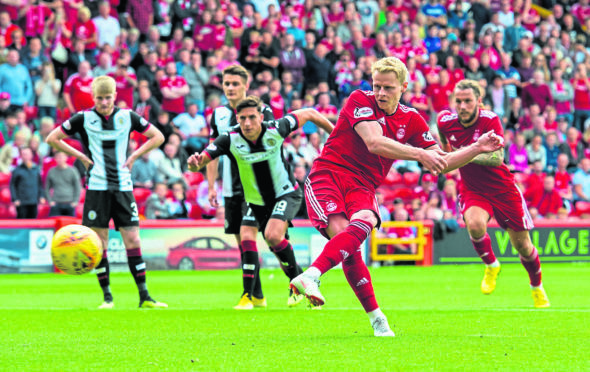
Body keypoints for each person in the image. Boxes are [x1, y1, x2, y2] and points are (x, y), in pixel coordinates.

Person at [289, 57, 503, 337]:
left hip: (362, 185)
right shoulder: (359, 100)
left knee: (363, 223)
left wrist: (476, 147)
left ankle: (326, 286)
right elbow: (374, 142)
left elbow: (443, 162)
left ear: (403, 87)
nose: (380, 93)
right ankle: (342, 295)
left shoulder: (411, 119)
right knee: (346, 241)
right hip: (329, 175)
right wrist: (418, 153)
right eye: (377, 86)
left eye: (388, 88)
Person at [188, 96, 335, 310]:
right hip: (256, 202)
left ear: (260, 116)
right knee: (271, 243)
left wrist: (335, 134)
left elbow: (309, 113)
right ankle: (298, 282)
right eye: (242, 118)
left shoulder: (276, 128)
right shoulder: (230, 138)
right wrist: (193, 164)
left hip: (286, 193)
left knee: (272, 236)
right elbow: (202, 160)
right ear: (237, 118)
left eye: (251, 117)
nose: (247, 123)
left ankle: (255, 294)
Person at [46, 75, 167, 309]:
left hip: (123, 187)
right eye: (99, 98)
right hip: (97, 188)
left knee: (132, 238)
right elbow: (53, 138)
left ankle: (145, 297)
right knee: (98, 243)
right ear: (93, 98)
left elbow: (158, 137)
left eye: (108, 97)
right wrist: (80, 156)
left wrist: (133, 156)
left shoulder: (127, 117)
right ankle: (108, 297)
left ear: (115, 97)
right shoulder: (84, 118)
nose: (103, 102)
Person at [437, 79, 550, 308]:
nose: (462, 106)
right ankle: (491, 265)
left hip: (503, 190)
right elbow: (445, 154)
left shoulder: (490, 120)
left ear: (479, 101)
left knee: (523, 247)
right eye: (458, 101)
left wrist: (465, 153)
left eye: (468, 101)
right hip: (473, 189)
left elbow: (497, 158)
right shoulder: (444, 122)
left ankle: (536, 287)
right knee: (475, 224)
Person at [205, 65, 275, 309]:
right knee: (242, 242)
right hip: (230, 188)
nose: (231, 88)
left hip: (255, 186)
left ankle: (247, 295)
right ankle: (258, 296)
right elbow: (213, 152)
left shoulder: (263, 111)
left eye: (235, 83)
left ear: (246, 85)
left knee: (250, 236)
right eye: (227, 84)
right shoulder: (218, 115)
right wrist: (211, 186)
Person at [10, 147, 45, 218]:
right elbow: (12, 185)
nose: (24, 156)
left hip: (34, 201)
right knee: (21, 223)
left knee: (33, 222)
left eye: (26, 154)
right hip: (21, 202)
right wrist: (15, 199)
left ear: (31, 155)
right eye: (23, 154)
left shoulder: (36, 169)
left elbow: (40, 184)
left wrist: (41, 196)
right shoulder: (17, 170)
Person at [45, 151, 81, 217]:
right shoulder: (51, 171)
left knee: (70, 225)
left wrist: (75, 201)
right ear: (55, 159)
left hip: (70, 203)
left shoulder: (73, 171)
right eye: (58, 157)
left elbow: (78, 187)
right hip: (56, 203)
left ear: (66, 158)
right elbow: (47, 187)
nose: (60, 159)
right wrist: (50, 201)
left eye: (61, 157)